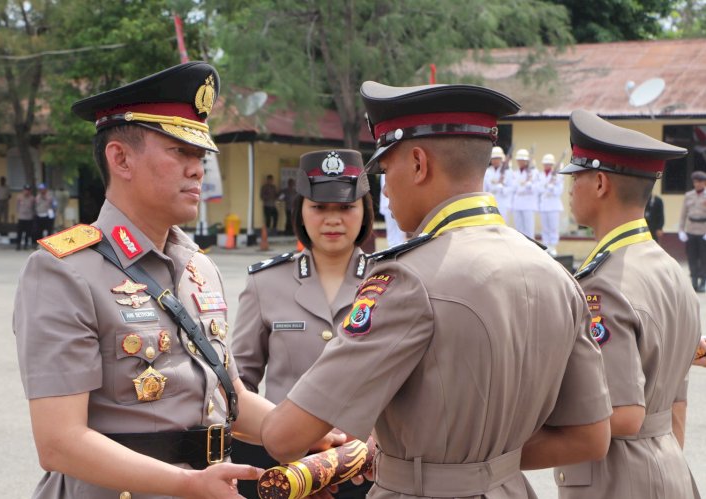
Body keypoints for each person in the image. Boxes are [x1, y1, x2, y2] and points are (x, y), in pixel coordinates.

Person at [261, 81, 612, 498]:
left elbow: (285, 436)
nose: (385, 189)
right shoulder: (557, 275)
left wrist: (407, 461)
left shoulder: (407, 279)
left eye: (386, 170)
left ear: (418, 163)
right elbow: (589, 437)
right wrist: (485, 465)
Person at [13, 62, 336, 499]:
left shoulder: (199, 267)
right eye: (178, 151)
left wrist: (308, 437)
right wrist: (186, 484)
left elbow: (231, 398)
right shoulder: (64, 270)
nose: (197, 169)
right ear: (120, 158)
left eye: (200, 155)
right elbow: (59, 443)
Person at [553, 109, 701, 498]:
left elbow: (622, 414)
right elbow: (676, 403)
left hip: (618, 482)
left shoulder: (603, 284)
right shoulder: (669, 269)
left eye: (576, 176)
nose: (570, 188)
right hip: (665, 466)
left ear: (600, 183)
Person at [231, 149, 374, 499]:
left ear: (365, 211)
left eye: (345, 207)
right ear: (301, 211)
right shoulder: (266, 282)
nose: (333, 220)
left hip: (369, 466)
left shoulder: (392, 279)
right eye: (319, 207)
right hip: (287, 469)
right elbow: (238, 386)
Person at [679, 170, 706, 292]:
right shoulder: (689, 195)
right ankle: (694, 280)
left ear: (704, 183)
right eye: (695, 182)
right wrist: (681, 230)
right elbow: (683, 214)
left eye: (699, 182)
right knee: (692, 257)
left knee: (704, 257)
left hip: (704, 231)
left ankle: (703, 281)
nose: (697, 184)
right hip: (691, 230)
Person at [538, 153, 564, 256]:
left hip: (553, 205)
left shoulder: (558, 176)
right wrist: (546, 186)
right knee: (545, 228)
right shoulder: (540, 175)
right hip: (544, 205)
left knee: (553, 228)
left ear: (552, 165)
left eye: (548, 164)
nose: (546, 165)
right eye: (545, 164)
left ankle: (553, 246)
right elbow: (538, 189)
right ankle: (546, 246)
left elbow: (559, 191)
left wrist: (551, 187)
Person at [512, 148, 540, 238]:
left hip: (528, 203)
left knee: (529, 228)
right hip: (517, 203)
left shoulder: (534, 172)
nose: (520, 162)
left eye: (522, 160)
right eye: (519, 160)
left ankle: (530, 247)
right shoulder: (515, 173)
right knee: (519, 229)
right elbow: (513, 187)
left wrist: (529, 185)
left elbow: (538, 188)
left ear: (526, 161)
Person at [483, 145, 514, 221]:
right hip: (490, 202)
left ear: (501, 159)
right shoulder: (487, 172)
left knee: (503, 225)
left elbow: (512, 188)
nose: (495, 160)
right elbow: (484, 188)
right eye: (493, 158)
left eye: (497, 158)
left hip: (503, 203)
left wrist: (502, 186)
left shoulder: (508, 172)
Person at [379, 175, 407, 247]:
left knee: (400, 232)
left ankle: (400, 249)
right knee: (391, 232)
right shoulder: (384, 172)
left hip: (398, 202)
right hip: (388, 203)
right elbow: (384, 188)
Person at [15, 184, 35, 250]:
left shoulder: (32, 198)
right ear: (23, 190)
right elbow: (17, 207)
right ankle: (18, 245)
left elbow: (33, 208)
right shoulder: (19, 197)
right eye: (26, 190)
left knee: (28, 232)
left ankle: (25, 245)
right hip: (21, 217)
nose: (27, 191)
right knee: (19, 232)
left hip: (29, 218)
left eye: (28, 190)